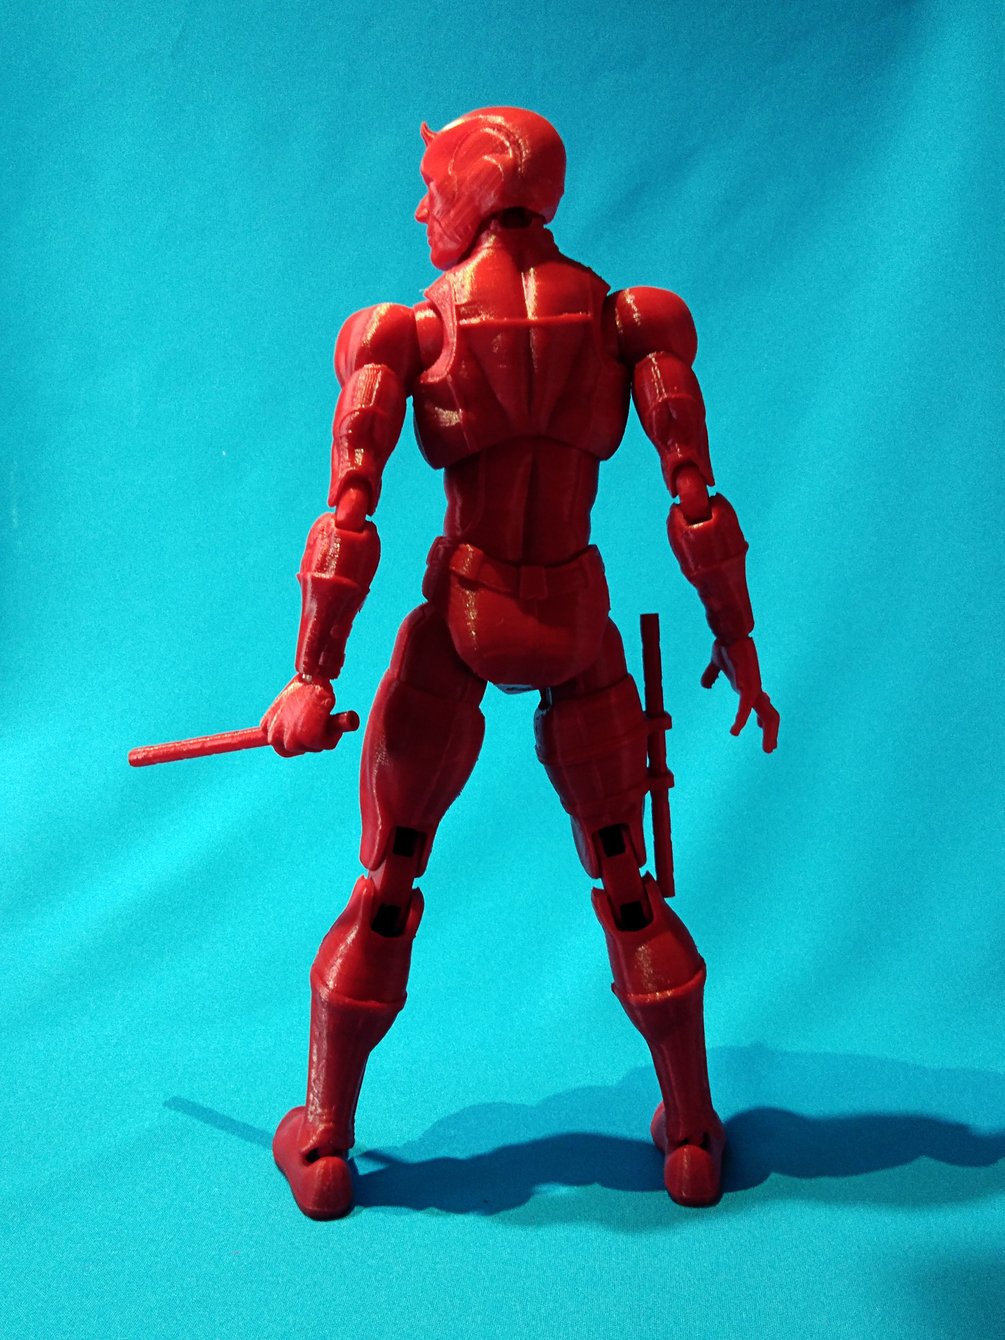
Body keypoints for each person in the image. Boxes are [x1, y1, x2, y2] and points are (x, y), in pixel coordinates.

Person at [261, 107, 779, 1219]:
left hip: (464, 613)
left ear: (471, 186)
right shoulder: (629, 320)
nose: (421, 207)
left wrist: (313, 674)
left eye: (431, 182)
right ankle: (692, 1136)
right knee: (627, 887)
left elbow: (350, 513)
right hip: (575, 618)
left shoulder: (404, 330)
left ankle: (329, 1142)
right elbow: (696, 497)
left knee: (390, 881)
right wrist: (735, 641)